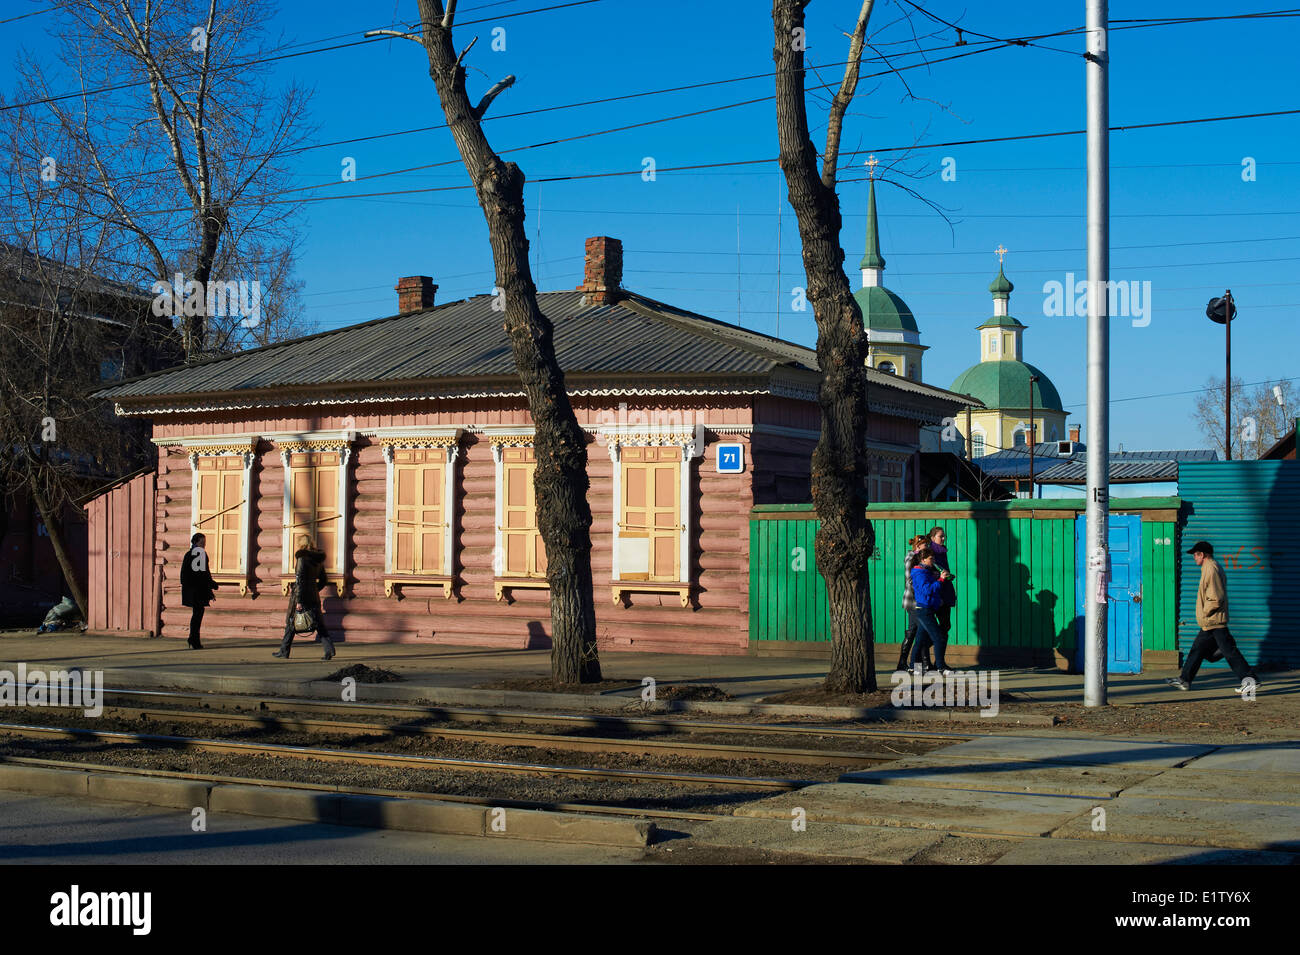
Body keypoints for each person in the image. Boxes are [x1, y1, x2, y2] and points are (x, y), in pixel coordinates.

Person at [1166, 541, 1259, 693]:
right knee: (1198, 649)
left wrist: (1205, 612)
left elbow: (1216, 597)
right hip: (1210, 621)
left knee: (1228, 651)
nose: (1194, 558)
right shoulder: (1208, 568)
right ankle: (1185, 679)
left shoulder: (1211, 568)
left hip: (1213, 620)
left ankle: (1250, 680)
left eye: (1195, 554)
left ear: (1202, 555)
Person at [273, 534, 336, 661]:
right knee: (319, 624)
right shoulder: (318, 560)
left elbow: (300, 580)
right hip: (313, 596)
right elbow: (324, 580)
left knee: (291, 622)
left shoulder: (302, 559)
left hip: (301, 596)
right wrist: (314, 589)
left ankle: (284, 651)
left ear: (300, 544)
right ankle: (329, 650)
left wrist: (300, 601)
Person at [909, 544, 954, 675]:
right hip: (924, 610)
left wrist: (941, 577)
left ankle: (913, 667)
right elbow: (927, 590)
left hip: (928, 608)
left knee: (920, 640)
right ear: (923, 560)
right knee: (938, 638)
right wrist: (940, 580)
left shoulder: (926, 571)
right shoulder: (919, 573)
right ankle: (941, 667)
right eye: (930, 558)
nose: (933, 560)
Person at [898, 535, 933, 671]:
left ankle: (910, 663)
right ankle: (922, 664)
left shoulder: (919, 558)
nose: (928, 547)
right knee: (919, 631)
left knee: (914, 631)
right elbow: (912, 580)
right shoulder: (912, 558)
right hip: (913, 600)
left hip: (918, 600)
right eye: (925, 545)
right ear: (918, 546)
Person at [179, 533, 216, 650]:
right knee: (198, 614)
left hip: (193, 590)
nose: (204, 544)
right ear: (196, 542)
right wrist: (212, 585)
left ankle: (193, 639)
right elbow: (203, 574)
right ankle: (194, 640)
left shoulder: (189, 554)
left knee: (197, 614)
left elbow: (184, 575)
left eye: (204, 542)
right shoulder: (199, 554)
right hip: (197, 590)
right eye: (202, 542)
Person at [928, 526, 958, 646]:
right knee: (927, 631)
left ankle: (939, 663)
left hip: (945, 591)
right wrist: (942, 577)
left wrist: (948, 575)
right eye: (941, 536)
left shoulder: (942, 551)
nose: (944, 538)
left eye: (944, 536)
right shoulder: (931, 552)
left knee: (945, 626)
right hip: (936, 593)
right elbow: (931, 572)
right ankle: (921, 657)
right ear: (932, 538)